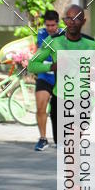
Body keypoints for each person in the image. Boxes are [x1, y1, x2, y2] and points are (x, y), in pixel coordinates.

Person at [28, 5, 95, 142]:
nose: (72, 22)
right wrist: (52, 66)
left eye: (76, 19)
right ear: (65, 21)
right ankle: (44, 138)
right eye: (69, 18)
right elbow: (32, 64)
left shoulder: (92, 43)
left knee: (73, 143)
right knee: (61, 143)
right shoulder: (52, 40)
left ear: (83, 21)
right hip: (59, 95)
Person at [33, 10, 62, 150]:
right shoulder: (41, 34)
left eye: (52, 25)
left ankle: (61, 140)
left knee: (58, 111)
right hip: (44, 76)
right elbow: (37, 50)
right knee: (40, 107)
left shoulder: (65, 35)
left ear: (58, 24)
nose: (50, 28)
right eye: (47, 25)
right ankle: (43, 139)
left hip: (60, 77)